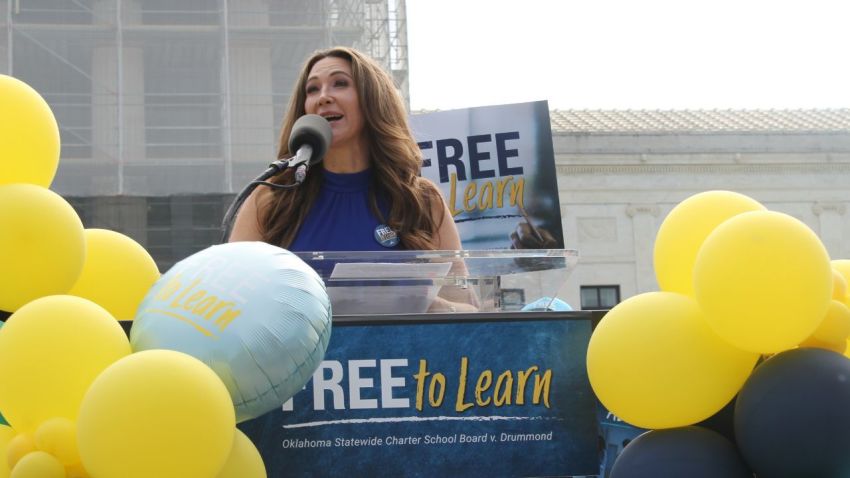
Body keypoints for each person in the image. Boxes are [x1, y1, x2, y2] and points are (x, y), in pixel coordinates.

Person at [229, 46, 462, 253]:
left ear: (373, 99)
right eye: (312, 89)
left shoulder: (422, 200)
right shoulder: (270, 199)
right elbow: (234, 292)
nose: (323, 97)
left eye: (340, 83)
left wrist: (423, 300)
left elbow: (462, 299)